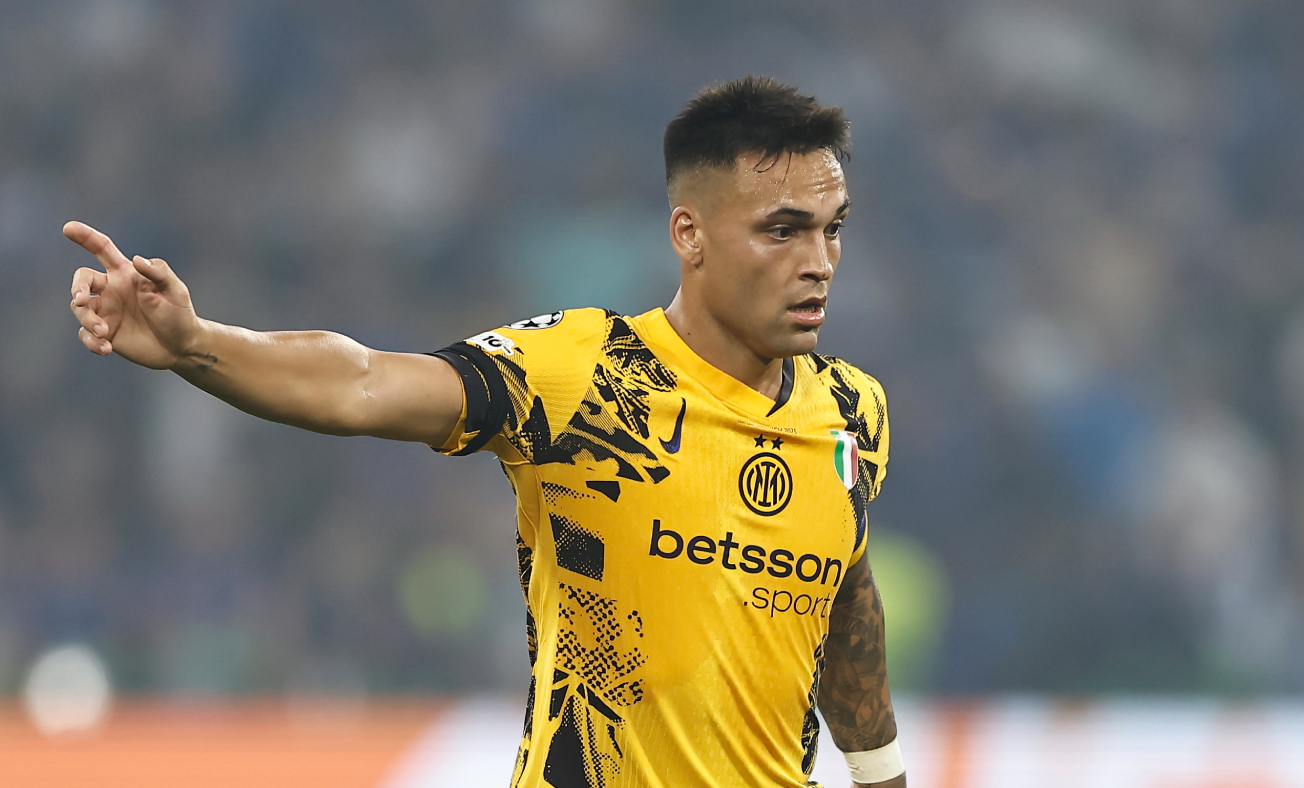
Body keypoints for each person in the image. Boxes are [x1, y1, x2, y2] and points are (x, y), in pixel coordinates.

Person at [65, 75, 905, 788]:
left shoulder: (851, 411)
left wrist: (882, 776)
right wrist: (199, 344)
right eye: (782, 230)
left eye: (832, 228)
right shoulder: (588, 376)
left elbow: (842, 593)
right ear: (690, 234)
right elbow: (362, 381)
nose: (820, 261)